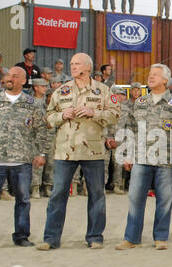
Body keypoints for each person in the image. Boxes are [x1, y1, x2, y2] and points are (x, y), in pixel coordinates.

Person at [36, 53, 120, 251]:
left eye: (77, 64)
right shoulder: (61, 90)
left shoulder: (104, 90)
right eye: (72, 64)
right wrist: (61, 115)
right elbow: (47, 117)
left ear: (88, 67)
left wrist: (94, 113)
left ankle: (95, 236)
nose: (73, 67)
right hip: (65, 152)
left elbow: (115, 114)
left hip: (94, 151)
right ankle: (51, 239)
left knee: (97, 195)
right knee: (58, 194)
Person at [0, 66, 47, 251]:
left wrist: (40, 153)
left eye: (15, 76)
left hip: (22, 161)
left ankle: (21, 236)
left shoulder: (31, 104)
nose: (9, 78)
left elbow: (41, 130)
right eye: (8, 75)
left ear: (23, 81)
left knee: (23, 200)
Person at [115, 64, 172, 251]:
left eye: (156, 75)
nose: (151, 77)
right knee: (135, 199)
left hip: (165, 160)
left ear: (165, 81)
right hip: (141, 159)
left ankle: (160, 237)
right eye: (150, 74)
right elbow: (132, 130)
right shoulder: (140, 102)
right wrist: (128, 154)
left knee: (164, 200)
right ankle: (131, 238)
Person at [112, 82, 142, 194]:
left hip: (138, 135)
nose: (136, 92)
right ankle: (119, 184)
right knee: (121, 160)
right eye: (134, 89)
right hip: (125, 135)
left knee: (137, 161)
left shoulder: (143, 104)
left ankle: (133, 185)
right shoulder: (124, 105)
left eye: (138, 90)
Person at [30, 78, 55, 199]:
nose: (45, 89)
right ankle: (35, 187)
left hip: (50, 136)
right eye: (43, 86)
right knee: (37, 164)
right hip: (36, 137)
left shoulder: (49, 101)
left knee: (50, 163)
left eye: (46, 86)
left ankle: (48, 186)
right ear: (36, 87)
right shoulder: (30, 102)